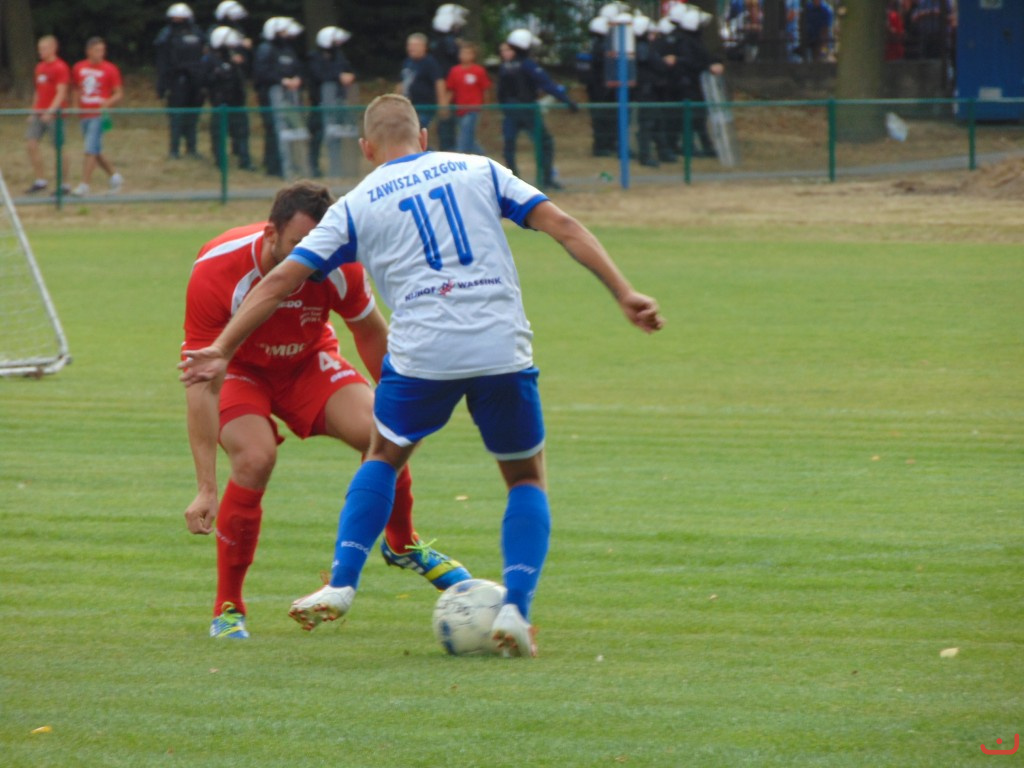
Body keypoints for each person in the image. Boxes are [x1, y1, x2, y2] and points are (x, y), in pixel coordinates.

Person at [179, 94, 664, 657]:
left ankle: (347, 579)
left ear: (366, 149)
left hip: (419, 355)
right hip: (499, 344)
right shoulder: (480, 169)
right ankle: (515, 610)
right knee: (525, 480)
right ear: (425, 136)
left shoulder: (356, 206)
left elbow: (286, 282)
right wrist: (624, 291)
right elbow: (563, 224)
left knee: (383, 451)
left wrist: (220, 347)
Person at [181, 180, 471, 640]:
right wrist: (205, 488)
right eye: (299, 244)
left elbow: (370, 332)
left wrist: (401, 401)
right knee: (255, 458)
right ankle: (229, 606)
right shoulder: (218, 268)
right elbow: (202, 380)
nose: (312, 257)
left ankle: (402, 543)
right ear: (271, 234)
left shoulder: (339, 261)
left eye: (318, 245)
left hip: (306, 364)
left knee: (386, 430)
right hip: (239, 371)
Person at [497, 29, 578, 190]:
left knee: (509, 145)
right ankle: (546, 179)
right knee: (545, 143)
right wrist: (568, 101)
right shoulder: (528, 65)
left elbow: (500, 92)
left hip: (510, 110)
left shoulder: (505, 66)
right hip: (527, 109)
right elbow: (547, 85)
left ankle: (512, 182)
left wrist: (505, 108)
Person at [70, 37, 123, 196]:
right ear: (89, 51)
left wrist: (107, 103)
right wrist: (75, 105)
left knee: (90, 149)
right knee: (95, 150)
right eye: (97, 50)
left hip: (98, 114)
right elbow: (76, 88)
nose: (100, 53)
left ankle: (84, 184)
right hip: (84, 113)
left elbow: (118, 93)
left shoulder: (110, 69)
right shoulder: (79, 67)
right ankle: (115, 176)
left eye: (102, 50)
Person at [253, 17, 305, 177]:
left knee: (290, 130)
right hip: (271, 96)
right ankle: (274, 166)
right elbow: (261, 72)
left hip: (290, 96)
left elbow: (297, 67)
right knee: (273, 129)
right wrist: (281, 80)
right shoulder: (265, 49)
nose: (285, 35)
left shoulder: (287, 49)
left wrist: (297, 78)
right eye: (282, 32)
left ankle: (291, 163)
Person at [155, 3, 206, 160]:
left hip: (195, 80)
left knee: (193, 116)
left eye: (180, 18)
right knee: (176, 116)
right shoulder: (167, 35)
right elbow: (162, 61)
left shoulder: (198, 33)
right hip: (177, 80)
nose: (178, 21)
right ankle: (174, 150)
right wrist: (162, 85)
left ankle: (192, 148)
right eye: (175, 18)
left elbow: (205, 55)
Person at [307, 25, 355, 177]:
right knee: (317, 136)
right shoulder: (314, 57)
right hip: (319, 104)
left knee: (336, 134)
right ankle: (313, 167)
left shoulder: (339, 56)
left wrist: (349, 76)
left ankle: (336, 167)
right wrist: (338, 76)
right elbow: (319, 75)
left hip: (338, 102)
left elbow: (348, 70)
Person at [25, 35, 70, 195]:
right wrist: (34, 110)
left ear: (53, 48)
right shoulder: (39, 67)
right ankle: (40, 180)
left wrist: (51, 111)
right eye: (39, 49)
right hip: (40, 112)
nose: (40, 52)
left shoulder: (60, 67)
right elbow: (38, 90)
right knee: (31, 143)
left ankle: (64, 184)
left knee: (58, 148)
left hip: (55, 114)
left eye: (43, 48)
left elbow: (61, 92)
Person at [204, 26, 253, 170]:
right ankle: (220, 161)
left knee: (242, 132)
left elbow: (245, 74)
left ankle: (245, 160)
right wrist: (222, 71)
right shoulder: (211, 59)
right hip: (220, 102)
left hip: (237, 101)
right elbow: (206, 79)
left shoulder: (234, 57)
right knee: (219, 133)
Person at [429, 4, 468, 151]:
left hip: (449, 90)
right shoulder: (448, 43)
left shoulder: (437, 43)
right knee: (447, 127)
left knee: (450, 127)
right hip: (448, 90)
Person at [445, 41, 490, 155]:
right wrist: (445, 105)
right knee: (468, 137)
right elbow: (451, 90)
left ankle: (460, 155)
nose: (465, 55)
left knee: (464, 135)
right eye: (463, 53)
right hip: (459, 110)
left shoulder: (479, 71)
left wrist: (486, 108)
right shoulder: (455, 71)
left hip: (473, 109)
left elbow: (485, 90)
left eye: (468, 53)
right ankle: (482, 155)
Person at [397, 33, 448, 135]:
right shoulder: (407, 62)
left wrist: (442, 104)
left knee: (417, 131)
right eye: (410, 45)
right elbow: (401, 83)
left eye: (415, 45)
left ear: (424, 47)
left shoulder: (430, 62)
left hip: (425, 106)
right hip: (409, 106)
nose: (411, 48)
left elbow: (439, 82)